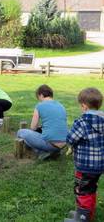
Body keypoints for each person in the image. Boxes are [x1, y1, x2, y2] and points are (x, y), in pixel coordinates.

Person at [64, 88, 104, 222]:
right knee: (91, 188)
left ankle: (82, 218)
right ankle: (87, 214)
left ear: (84, 106)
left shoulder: (82, 122)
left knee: (83, 190)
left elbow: (70, 139)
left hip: (85, 166)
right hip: (100, 165)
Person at [17, 84, 67, 160]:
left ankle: (42, 152)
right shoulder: (61, 105)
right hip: (63, 143)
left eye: (38, 97)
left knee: (21, 132)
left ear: (41, 95)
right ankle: (54, 152)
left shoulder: (39, 106)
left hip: (51, 144)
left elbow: (33, 127)